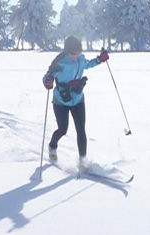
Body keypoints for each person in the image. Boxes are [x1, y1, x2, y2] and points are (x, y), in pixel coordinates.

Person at [42, 36, 109, 170]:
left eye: (78, 53)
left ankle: (83, 161)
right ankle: (52, 146)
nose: (76, 56)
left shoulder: (80, 58)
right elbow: (47, 76)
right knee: (62, 129)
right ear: (67, 51)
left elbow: (88, 64)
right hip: (61, 101)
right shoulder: (59, 62)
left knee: (81, 130)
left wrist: (99, 59)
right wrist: (47, 81)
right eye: (73, 53)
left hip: (78, 99)